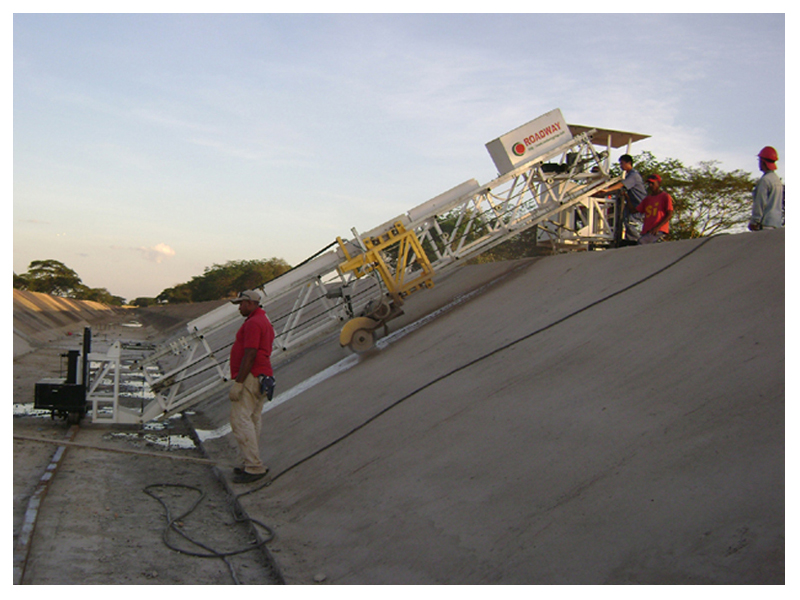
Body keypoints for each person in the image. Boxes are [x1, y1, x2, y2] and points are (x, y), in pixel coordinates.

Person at [228, 290, 275, 483]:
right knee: (253, 418)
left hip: (252, 376)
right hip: (263, 375)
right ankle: (249, 461)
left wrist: (239, 382)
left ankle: (254, 466)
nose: (239, 307)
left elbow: (250, 353)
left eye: (241, 304)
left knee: (240, 419)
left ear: (250, 303)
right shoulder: (263, 320)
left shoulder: (254, 323)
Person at [599, 154, 647, 244]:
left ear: (629, 163)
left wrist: (607, 190)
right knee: (626, 221)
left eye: (622, 163)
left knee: (631, 223)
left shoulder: (634, 175)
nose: (621, 166)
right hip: (632, 204)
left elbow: (622, 184)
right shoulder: (630, 175)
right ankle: (630, 240)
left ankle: (638, 242)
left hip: (639, 205)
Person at [625, 173, 674, 244]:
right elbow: (633, 211)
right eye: (649, 184)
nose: (650, 185)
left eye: (652, 183)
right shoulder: (647, 199)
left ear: (658, 183)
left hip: (658, 230)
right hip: (647, 231)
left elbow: (669, 214)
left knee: (641, 242)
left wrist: (657, 227)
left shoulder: (665, 196)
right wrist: (627, 198)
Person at [749, 146, 784, 231]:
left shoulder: (765, 180)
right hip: (777, 224)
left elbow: (760, 203)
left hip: (765, 225)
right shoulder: (777, 180)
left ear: (763, 162)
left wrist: (755, 221)